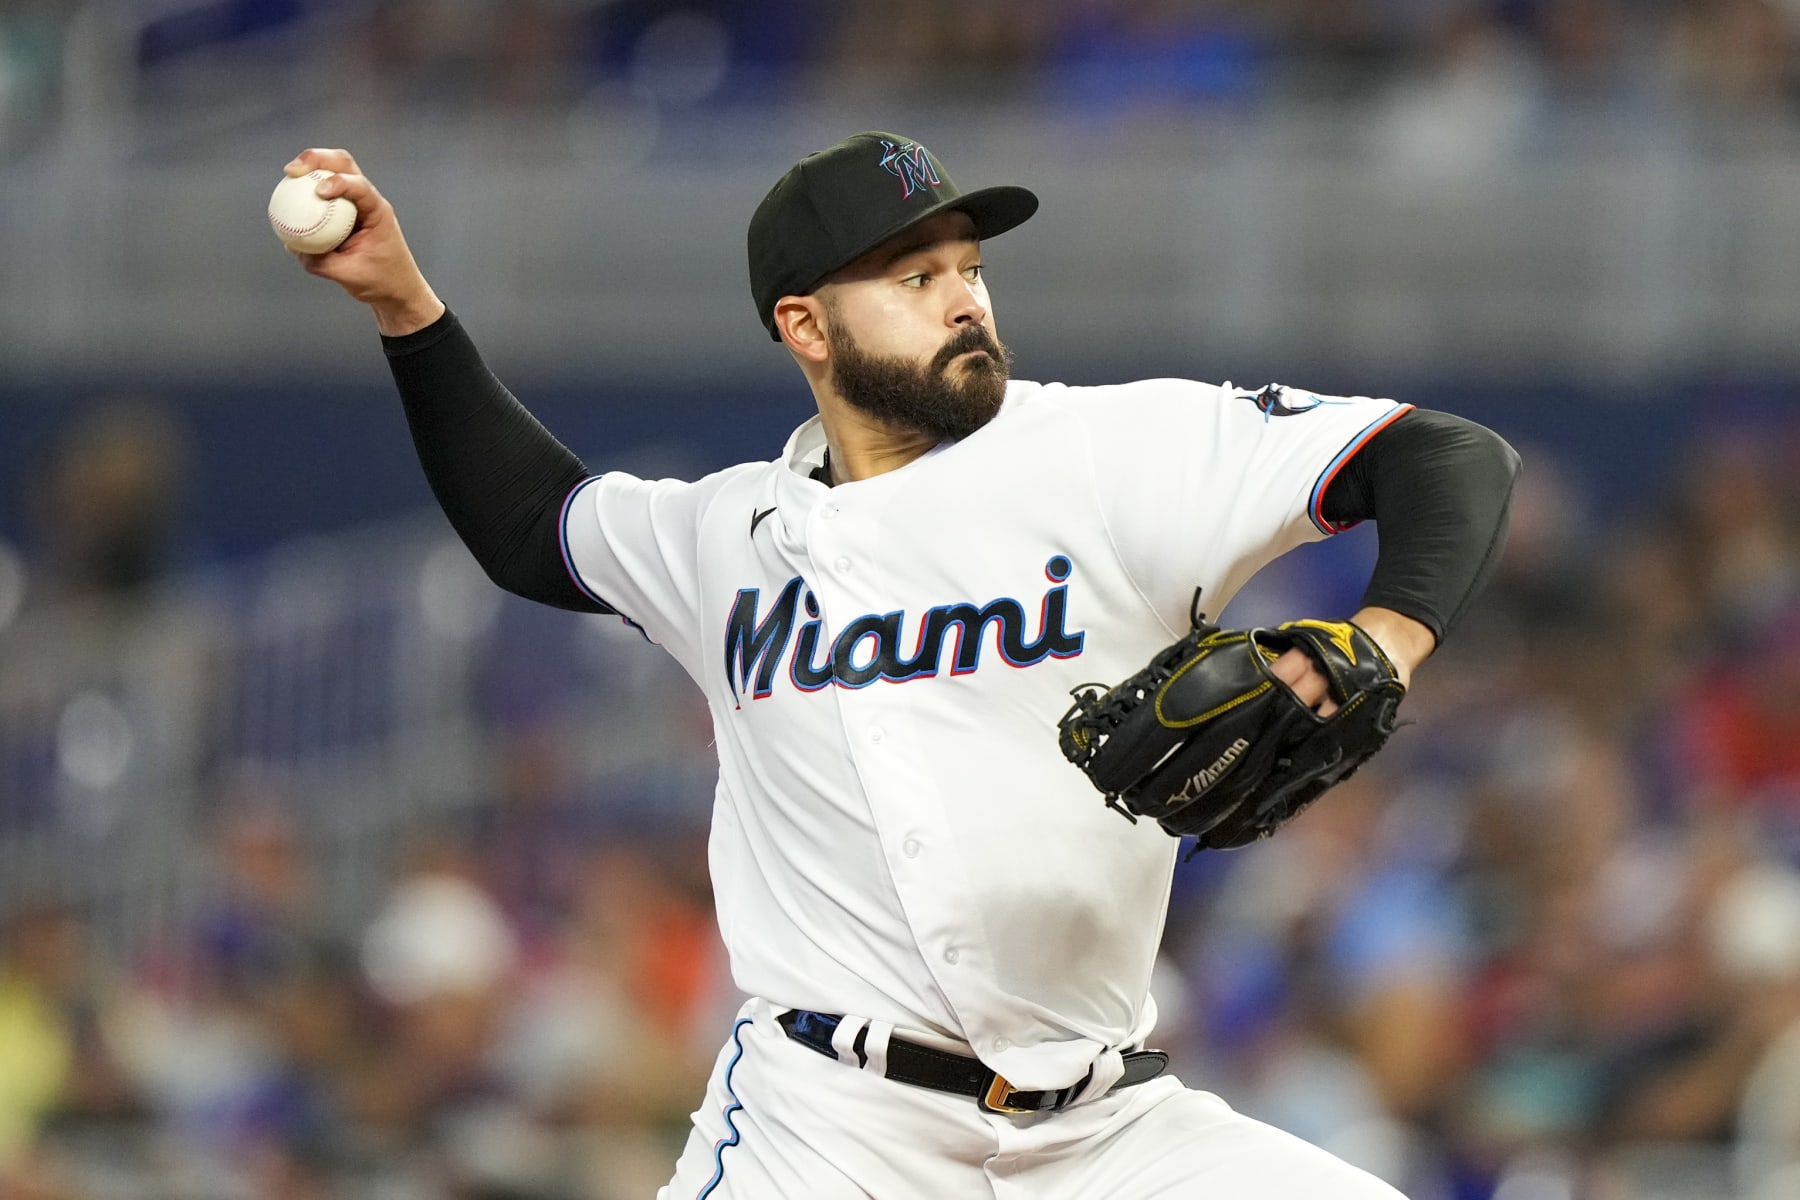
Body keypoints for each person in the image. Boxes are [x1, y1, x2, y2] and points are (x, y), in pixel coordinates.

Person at [285, 131, 1519, 1198]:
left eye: (972, 268)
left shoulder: (1105, 450)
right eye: (914, 275)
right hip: (830, 1128)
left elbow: (1446, 458)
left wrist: (1383, 644)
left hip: (1106, 1127)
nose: (964, 299)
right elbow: (532, 527)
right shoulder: (725, 535)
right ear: (805, 326)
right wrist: (407, 310)